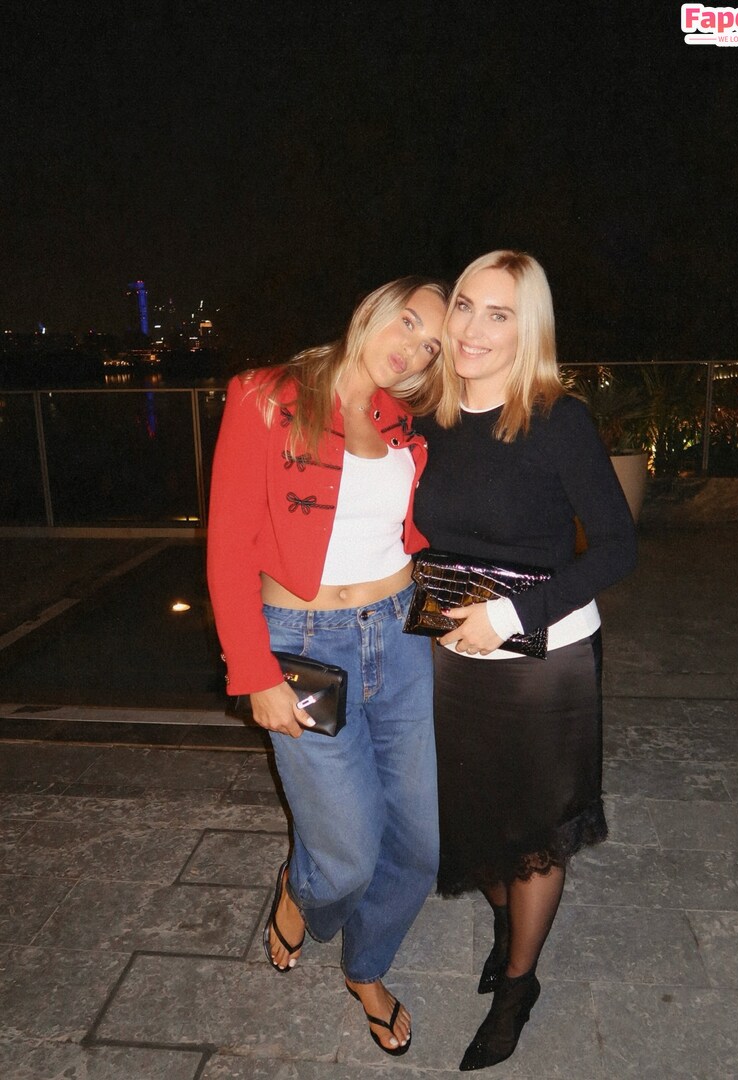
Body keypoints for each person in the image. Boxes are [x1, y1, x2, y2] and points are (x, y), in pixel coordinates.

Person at [207, 276, 447, 1056]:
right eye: (408, 322)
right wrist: (254, 672)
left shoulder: (400, 419)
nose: (413, 349)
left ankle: (366, 967)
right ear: (373, 308)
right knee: (344, 854)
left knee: (421, 843)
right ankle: (301, 887)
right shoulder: (264, 397)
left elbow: (418, 532)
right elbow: (227, 547)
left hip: (401, 640)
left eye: (431, 345)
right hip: (304, 643)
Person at [412, 251, 637, 1071]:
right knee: (475, 819)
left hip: (547, 659)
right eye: (464, 306)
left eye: (498, 314)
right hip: (452, 657)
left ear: (527, 328)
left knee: (535, 831)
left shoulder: (557, 420)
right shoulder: (427, 416)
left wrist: (510, 615)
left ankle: (518, 984)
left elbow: (616, 547)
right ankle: (511, 928)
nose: (473, 328)